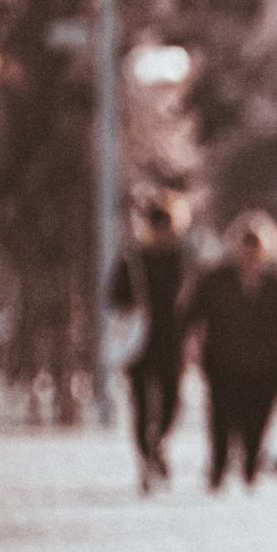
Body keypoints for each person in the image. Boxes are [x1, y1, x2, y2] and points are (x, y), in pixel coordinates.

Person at [182, 212, 277, 492]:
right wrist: (191, 346)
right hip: (223, 364)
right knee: (221, 420)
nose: (249, 252)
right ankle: (218, 470)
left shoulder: (274, 285)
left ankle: (249, 468)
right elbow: (192, 316)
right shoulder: (216, 281)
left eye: (255, 245)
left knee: (256, 422)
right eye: (244, 244)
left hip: (264, 369)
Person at [109, 198, 191, 493]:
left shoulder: (182, 259)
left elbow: (191, 303)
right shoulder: (133, 260)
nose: (161, 231)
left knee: (171, 402)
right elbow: (114, 297)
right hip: (139, 342)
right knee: (142, 405)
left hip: (171, 340)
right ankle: (145, 458)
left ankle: (158, 445)